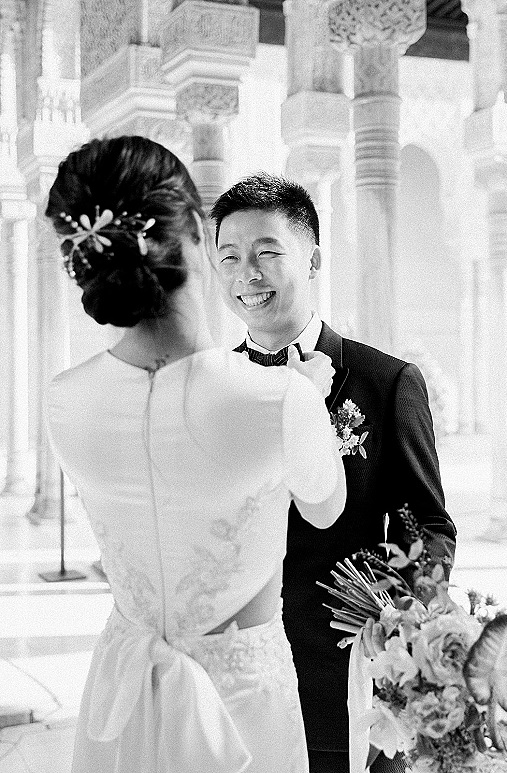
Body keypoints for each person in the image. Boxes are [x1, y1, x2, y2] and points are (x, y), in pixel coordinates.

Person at [44, 137, 346, 773]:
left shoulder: (64, 400)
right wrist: (306, 401)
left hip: (121, 693)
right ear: (200, 240)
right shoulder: (278, 399)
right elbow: (324, 508)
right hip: (240, 703)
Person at [210, 174, 458, 773]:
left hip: (345, 678)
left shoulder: (387, 382)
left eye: (268, 252)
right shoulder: (211, 390)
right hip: (237, 680)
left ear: (314, 258)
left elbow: (429, 528)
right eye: (231, 258)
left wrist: (392, 619)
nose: (248, 274)